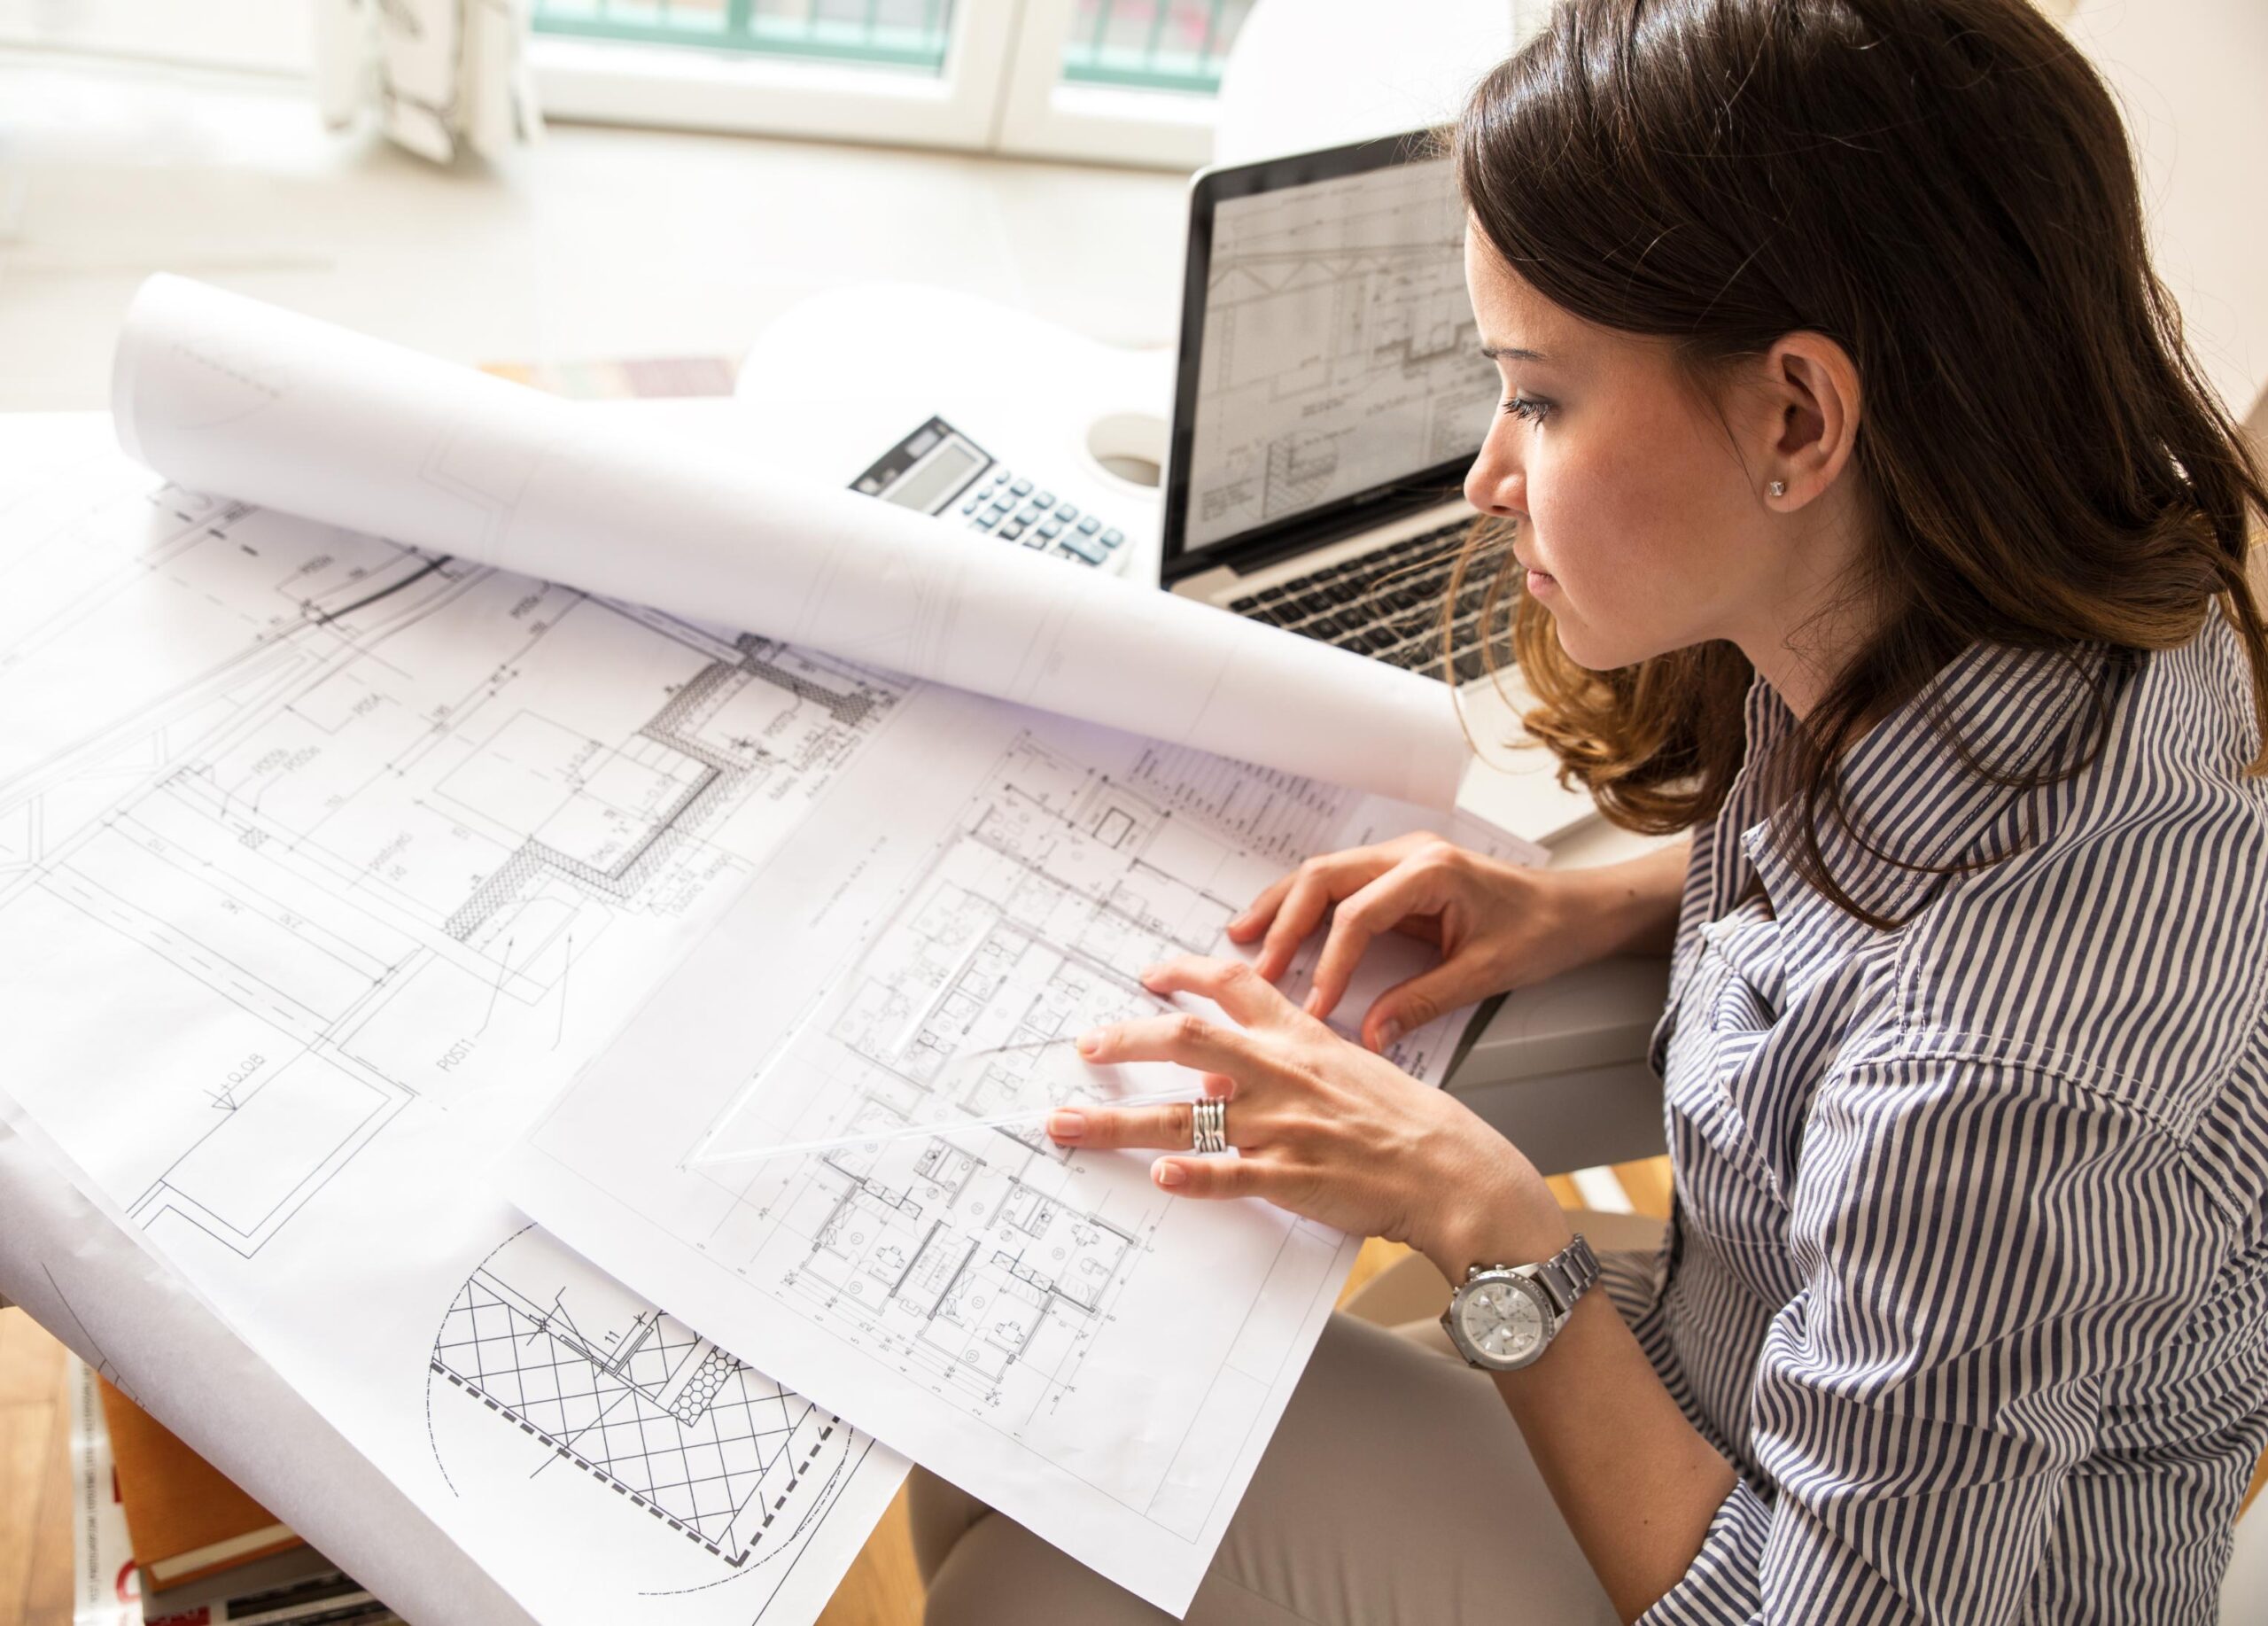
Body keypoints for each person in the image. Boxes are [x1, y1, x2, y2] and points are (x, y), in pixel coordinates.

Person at [911, 0, 2268, 1619]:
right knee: (1008, 1433)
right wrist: (1598, 901)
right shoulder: (2066, 606)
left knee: (1037, 1586)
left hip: (1837, 1558)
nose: (1489, 476)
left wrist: (1487, 1232)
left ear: (1796, 420)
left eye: (1539, 399)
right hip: (1747, 1352)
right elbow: (1907, 870)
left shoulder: (1997, 1077)